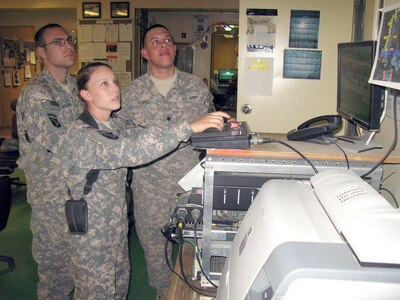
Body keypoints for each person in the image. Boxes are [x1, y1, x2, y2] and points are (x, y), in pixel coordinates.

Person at [59, 62, 229, 299]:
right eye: (104, 84)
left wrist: (203, 130)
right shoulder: (81, 134)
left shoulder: (115, 124)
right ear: (86, 94)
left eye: (114, 81)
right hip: (91, 231)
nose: (115, 88)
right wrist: (188, 126)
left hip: (115, 223)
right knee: (96, 292)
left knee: (118, 288)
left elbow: (149, 136)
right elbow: (132, 151)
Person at [118, 24, 216, 299]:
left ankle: (201, 289)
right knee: (154, 247)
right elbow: (123, 140)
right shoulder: (130, 94)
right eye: (155, 41)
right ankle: (164, 293)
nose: (163, 45)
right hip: (149, 185)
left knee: (198, 242)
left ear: (175, 48)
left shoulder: (195, 86)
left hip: (189, 181)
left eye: (168, 40)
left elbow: (210, 129)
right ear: (144, 52)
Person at [16, 23, 84, 299]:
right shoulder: (37, 93)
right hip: (52, 199)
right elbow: (62, 142)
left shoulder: (77, 88)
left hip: (78, 194)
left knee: (79, 269)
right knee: (56, 278)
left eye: (69, 40)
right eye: (59, 42)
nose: (69, 46)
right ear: (41, 52)